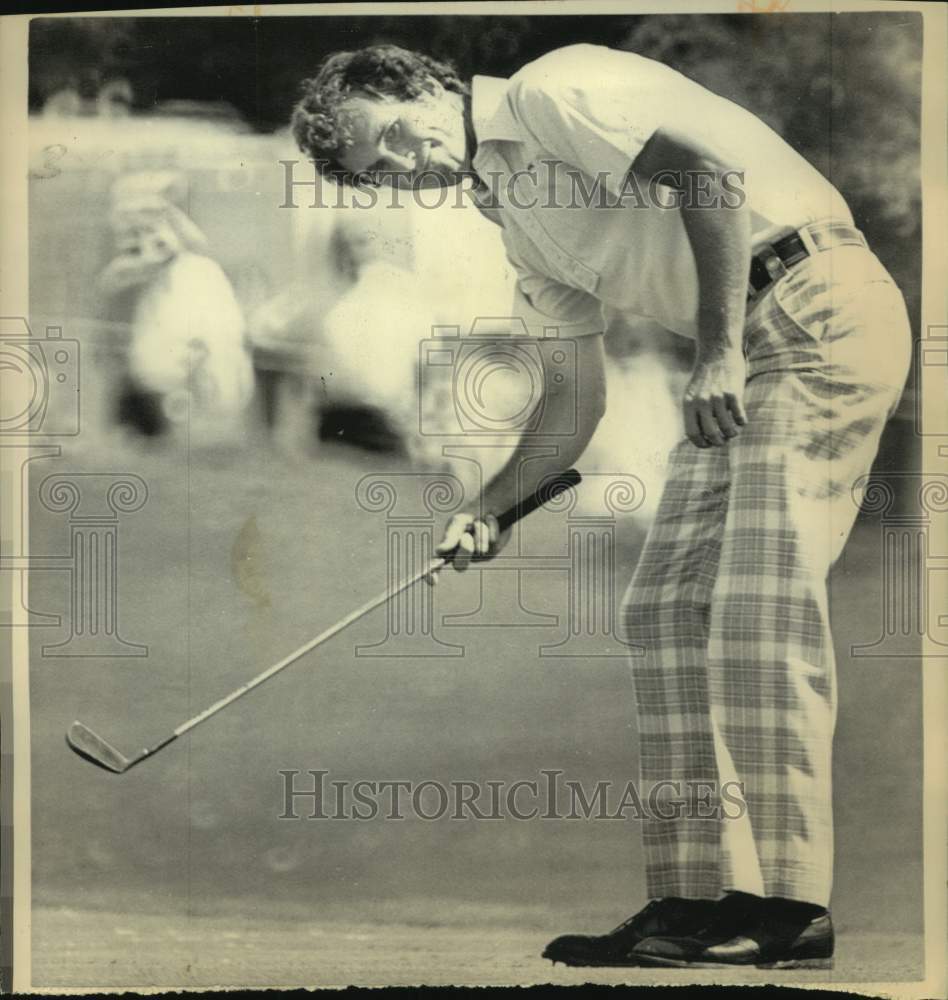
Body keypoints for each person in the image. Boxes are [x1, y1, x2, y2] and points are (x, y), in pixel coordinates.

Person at [290, 42, 912, 970]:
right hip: (746, 343)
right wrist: (490, 510)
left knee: (755, 608)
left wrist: (717, 354)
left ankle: (791, 908)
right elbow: (573, 397)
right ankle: (697, 902)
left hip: (814, 308)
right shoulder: (513, 219)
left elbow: (709, 175)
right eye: (386, 174)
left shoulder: (553, 89)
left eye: (396, 138)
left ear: (416, 84)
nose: (411, 168)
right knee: (661, 609)